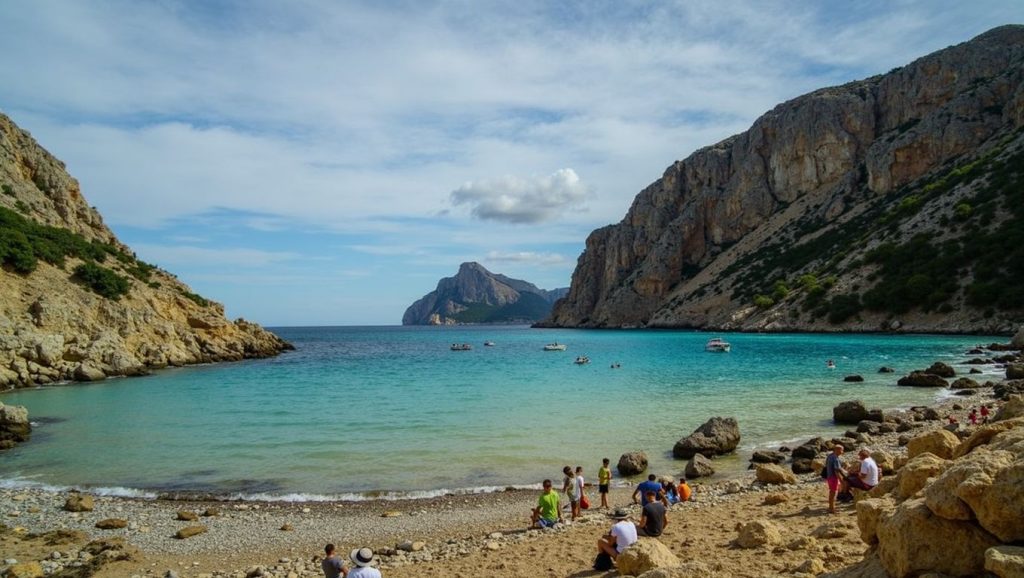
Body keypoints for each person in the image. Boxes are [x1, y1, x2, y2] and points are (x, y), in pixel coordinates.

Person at [825, 444, 847, 514]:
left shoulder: (830, 456)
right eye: (842, 450)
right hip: (833, 477)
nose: (842, 451)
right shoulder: (835, 458)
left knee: (832, 492)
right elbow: (836, 471)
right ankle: (831, 508)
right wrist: (842, 481)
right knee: (833, 492)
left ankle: (831, 507)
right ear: (837, 450)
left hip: (829, 476)